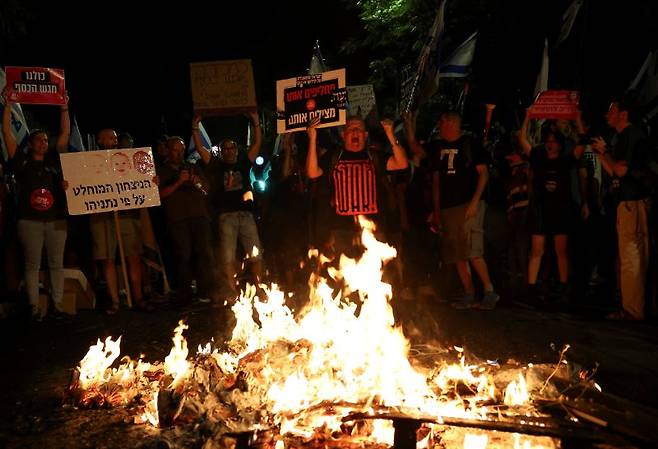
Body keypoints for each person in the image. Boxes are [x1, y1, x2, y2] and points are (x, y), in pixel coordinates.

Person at [410, 110, 499, 310]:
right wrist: (409, 125)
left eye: (441, 121)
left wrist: (475, 202)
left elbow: (483, 174)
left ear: (451, 123)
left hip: (468, 205)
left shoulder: (470, 144)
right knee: (456, 252)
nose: (439, 125)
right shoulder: (437, 146)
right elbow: (418, 152)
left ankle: (489, 290)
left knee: (473, 250)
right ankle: (468, 292)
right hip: (448, 208)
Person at [1, 89, 70, 319]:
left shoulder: (54, 160)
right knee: (32, 265)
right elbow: (7, 134)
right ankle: (33, 308)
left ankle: (58, 306)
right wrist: (8, 105)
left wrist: (63, 108)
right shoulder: (22, 161)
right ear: (31, 144)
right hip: (29, 221)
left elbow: (65, 133)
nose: (44, 142)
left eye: (45, 140)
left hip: (56, 220)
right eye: (39, 140)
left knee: (56, 263)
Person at [305, 115, 408, 260]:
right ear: (343, 135)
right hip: (341, 231)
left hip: (373, 230)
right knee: (344, 278)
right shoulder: (334, 157)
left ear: (365, 135)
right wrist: (312, 139)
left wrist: (391, 136)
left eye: (359, 129)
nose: (355, 132)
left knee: (375, 276)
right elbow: (312, 172)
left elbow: (402, 163)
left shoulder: (375, 156)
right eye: (351, 128)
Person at [592, 95, 652, 320]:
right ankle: (634, 307)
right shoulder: (628, 136)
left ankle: (632, 311)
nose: (607, 114)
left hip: (631, 202)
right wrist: (602, 153)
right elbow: (614, 171)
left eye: (612, 110)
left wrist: (604, 151)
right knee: (632, 257)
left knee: (631, 257)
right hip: (630, 201)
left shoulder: (629, 135)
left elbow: (620, 171)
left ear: (623, 114)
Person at [192, 112, 262, 300]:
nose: (229, 151)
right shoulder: (215, 166)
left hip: (246, 214)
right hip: (226, 216)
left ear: (237, 150)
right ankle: (232, 289)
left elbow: (257, 145)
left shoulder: (244, 163)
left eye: (232, 148)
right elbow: (200, 149)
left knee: (255, 253)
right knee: (228, 257)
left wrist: (255, 122)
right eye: (226, 148)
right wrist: (195, 127)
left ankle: (259, 286)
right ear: (221, 152)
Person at [518, 111, 585, 303]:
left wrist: (577, 117)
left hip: (560, 211)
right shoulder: (538, 157)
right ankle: (531, 289)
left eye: (554, 141)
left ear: (560, 144)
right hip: (541, 210)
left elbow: (582, 142)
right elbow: (523, 139)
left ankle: (564, 288)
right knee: (537, 250)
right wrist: (528, 117)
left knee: (560, 251)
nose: (550, 144)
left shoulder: (566, 160)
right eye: (548, 141)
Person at [88, 129, 152, 313]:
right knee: (107, 258)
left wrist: (150, 182)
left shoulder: (128, 158)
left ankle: (138, 297)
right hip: (102, 217)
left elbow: (140, 181)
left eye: (115, 137)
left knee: (133, 257)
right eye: (109, 137)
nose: (113, 140)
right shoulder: (88, 162)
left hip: (126, 215)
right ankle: (115, 301)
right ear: (99, 140)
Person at [157, 136, 214, 303]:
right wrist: (179, 182)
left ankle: (204, 291)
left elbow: (206, 190)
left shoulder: (192, 167)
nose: (179, 153)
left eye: (182, 150)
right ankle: (185, 294)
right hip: (178, 219)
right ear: (168, 150)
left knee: (204, 254)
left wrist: (196, 182)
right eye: (175, 150)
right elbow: (160, 195)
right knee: (183, 256)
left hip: (200, 217)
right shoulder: (162, 170)